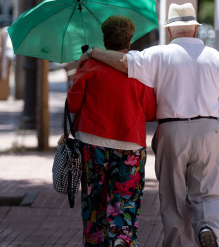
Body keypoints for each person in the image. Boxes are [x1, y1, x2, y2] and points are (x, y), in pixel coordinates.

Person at [78, 3, 219, 247]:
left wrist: (93, 53)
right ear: (194, 30)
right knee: (208, 192)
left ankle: (176, 243)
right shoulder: (214, 57)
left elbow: (123, 62)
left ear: (170, 32)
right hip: (209, 129)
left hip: (171, 131)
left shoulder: (158, 55)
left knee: (173, 198)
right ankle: (207, 227)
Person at [67, 15, 156, 247]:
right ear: (129, 42)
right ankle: (121, 238)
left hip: (92, 141)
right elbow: (151, 111)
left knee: (94, 200)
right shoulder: (140, 71)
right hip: (130, 144)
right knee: (125, 198)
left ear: (105, 40)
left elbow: (73, 105)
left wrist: (78, 70)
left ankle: (96, 242)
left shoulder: (89, 66)